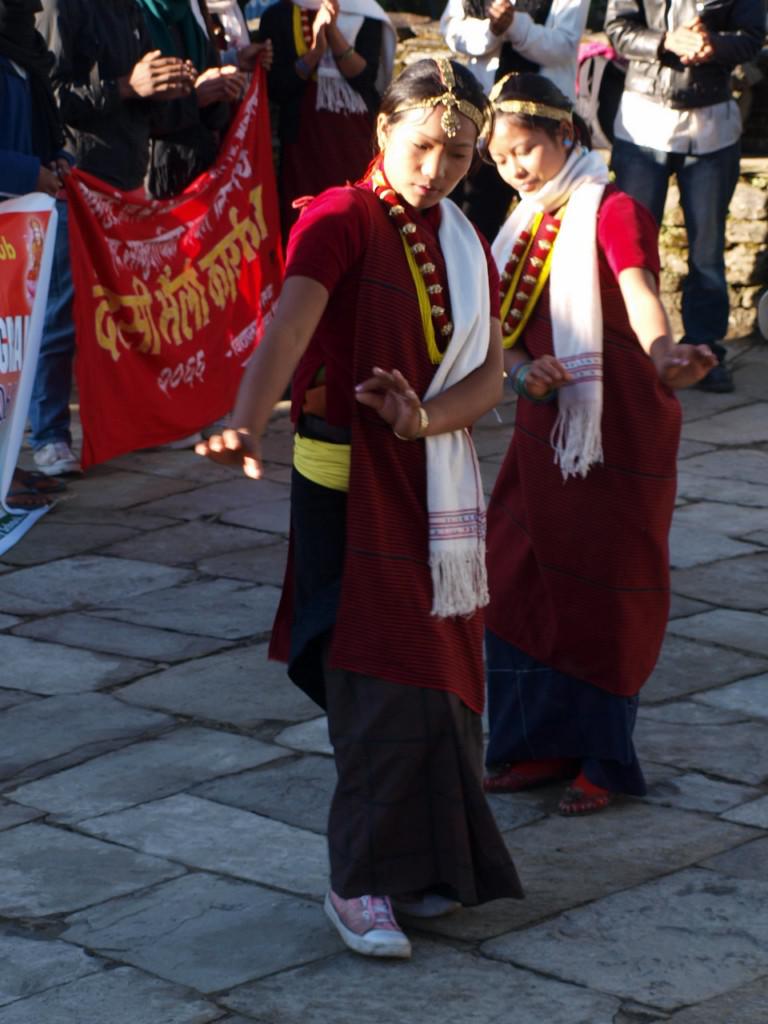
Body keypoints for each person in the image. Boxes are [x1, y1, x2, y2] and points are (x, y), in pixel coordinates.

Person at [197, 58, 523, 958]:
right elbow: (292, 322)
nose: (437, 169)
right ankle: (358, 882)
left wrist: (421, 419)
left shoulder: (465, 237)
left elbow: (489, 378)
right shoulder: (341, 216)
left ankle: (423, 869)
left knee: (441, 682)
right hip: (344, 486)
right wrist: (246, 416)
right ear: (382, 130)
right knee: (377, 680)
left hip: (429, 479)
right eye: (422, 146)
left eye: (458, 154)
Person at [481, 72, 715, 815]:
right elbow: (501, 336)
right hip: (548, 421)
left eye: (526, 149)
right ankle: (537, 741)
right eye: (500, 158)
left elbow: (640, 290)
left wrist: (664, 355)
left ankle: (604, 759)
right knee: (515, 574)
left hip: (617, 429)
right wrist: (524, 374)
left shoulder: (611, 210)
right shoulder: (520, 226)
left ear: (566, 135)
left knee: (601, 587)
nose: (515, 168)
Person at [34, 0, 196, 474]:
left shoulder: (128, 8)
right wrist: (126, 86)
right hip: (76, 184)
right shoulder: (59, 8)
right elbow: (49, 98)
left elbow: (139, 90)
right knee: (62, 316)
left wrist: (169, 88)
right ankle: (48, 435)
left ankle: (139, 422)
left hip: (126, 184)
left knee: (133, 311)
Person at [606, 0, 765, 393]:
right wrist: (666, 41)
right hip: (642, 121)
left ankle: (704, 348)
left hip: (712, 124)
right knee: (629, 249)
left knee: (707, 250)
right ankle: (628, 350)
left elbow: (752, 37)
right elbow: (618, 28)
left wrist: (713, 45)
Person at [440, 0, 589, 239]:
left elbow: (565, 44)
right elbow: (451, 29)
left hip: (543, 126)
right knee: (474, 220)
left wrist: (516, 26)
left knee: (549, 224)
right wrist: (491, 30)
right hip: (488, 121)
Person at [0, 0, 71, 503]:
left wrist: (56, 159)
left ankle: (8, 463)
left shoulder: (25, 50)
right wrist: (30, 173)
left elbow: (37, 126)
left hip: (16, 228)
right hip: (11, 209)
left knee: (10, 350)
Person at [257, 0, 396, 234]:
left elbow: (365, 79)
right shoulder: (279, 14)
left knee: (358, 206)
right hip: (303, 136)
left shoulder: (366, 11)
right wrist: (315, 52)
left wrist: (333, 32)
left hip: (355, 135)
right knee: (304, 213)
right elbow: (278, 87)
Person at [134, 0, 248, 198]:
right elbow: (132, 111)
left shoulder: (189, 17)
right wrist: (194, 99)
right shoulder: (133, 16)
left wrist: (222, 88)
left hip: (200, 167)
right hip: (155, 174)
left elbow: (214, 117)